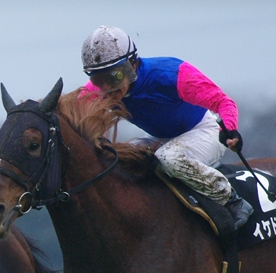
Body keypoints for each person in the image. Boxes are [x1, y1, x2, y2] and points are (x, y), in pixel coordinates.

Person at [81, 26, 254, 227]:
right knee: (117, 159)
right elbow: (69, 115)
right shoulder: (95, 91)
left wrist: (230, 129)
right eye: (98, 79)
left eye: (115, 76)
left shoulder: (171, 73)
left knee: (169, 157)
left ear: (132, 64)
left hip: (203, 130)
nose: (106, 88)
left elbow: (224, 102)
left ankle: (232, 201)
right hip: (163, 139)